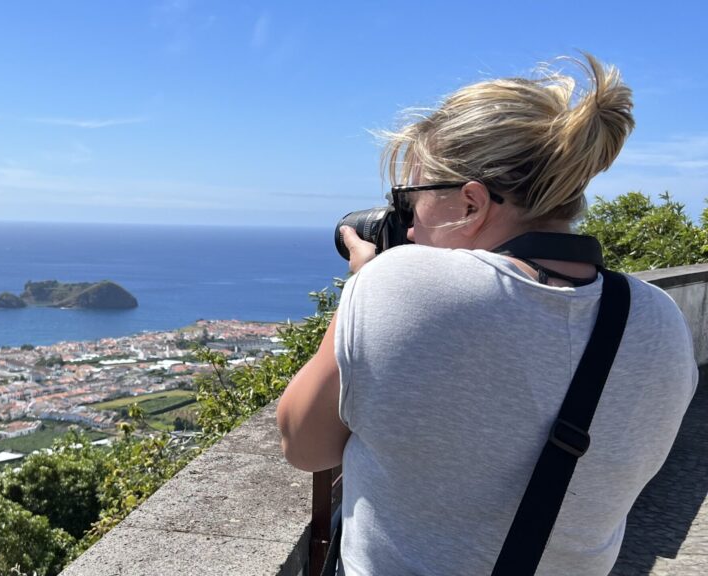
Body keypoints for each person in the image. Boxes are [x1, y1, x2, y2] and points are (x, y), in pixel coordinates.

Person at [276, 54, 697, 575]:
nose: (408, 227)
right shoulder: (658, 320)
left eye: (412, 200)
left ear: (472, 204)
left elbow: (303, 444)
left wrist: (364, 285)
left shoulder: (397, 284)